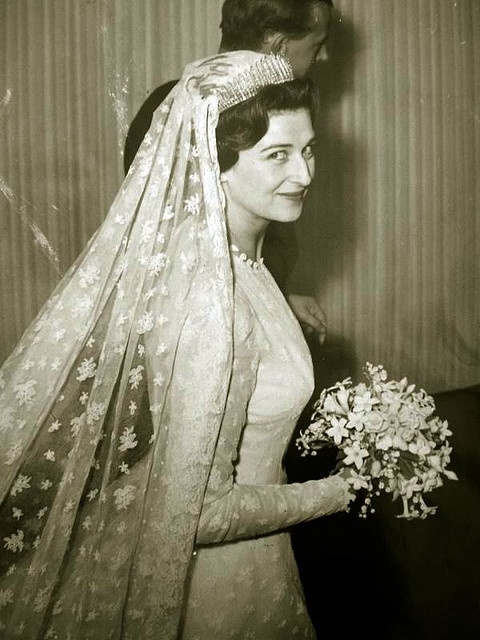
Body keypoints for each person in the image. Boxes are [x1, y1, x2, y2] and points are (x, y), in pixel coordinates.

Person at [0, 52, 354, 639]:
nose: (306, 174)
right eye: (277, 156)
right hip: (215, 590)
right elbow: (201, 513)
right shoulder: (208, 298)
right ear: (213, 166)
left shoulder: (231, 258)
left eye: (308, 148)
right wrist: (346, 488)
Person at [124, 0, 334, 343]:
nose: (323, 58)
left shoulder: (283, 119)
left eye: (306, 151)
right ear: (280, 45)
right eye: (317, 45)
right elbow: (178, 270)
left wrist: (274, 303)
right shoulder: (189, 114)